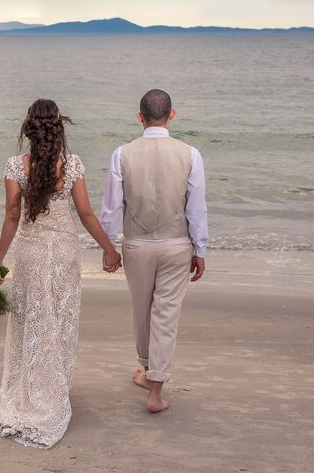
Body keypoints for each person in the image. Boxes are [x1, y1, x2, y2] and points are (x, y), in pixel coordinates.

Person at [0, 99, 121, 449]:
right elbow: (87, 214)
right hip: (63, 255)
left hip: (31, 255)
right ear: (58, 128)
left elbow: (12, 217)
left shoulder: (16, 167)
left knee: (31, 322)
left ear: (28, 129)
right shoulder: (73, 165)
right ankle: (53, 392)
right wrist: (109, 249)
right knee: (59, 320)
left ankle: (32, 393)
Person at [100, 89, 208, 413]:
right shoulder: (191, 154)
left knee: (142, 311)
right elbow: (197, 209)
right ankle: (155, 388)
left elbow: (111, 208)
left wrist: (109, 247)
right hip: (177, 245)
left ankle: (150, 373)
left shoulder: (122, 154)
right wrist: (199, 249)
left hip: (137, 245)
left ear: (139, 116)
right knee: (165, 315)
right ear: (172, 114)